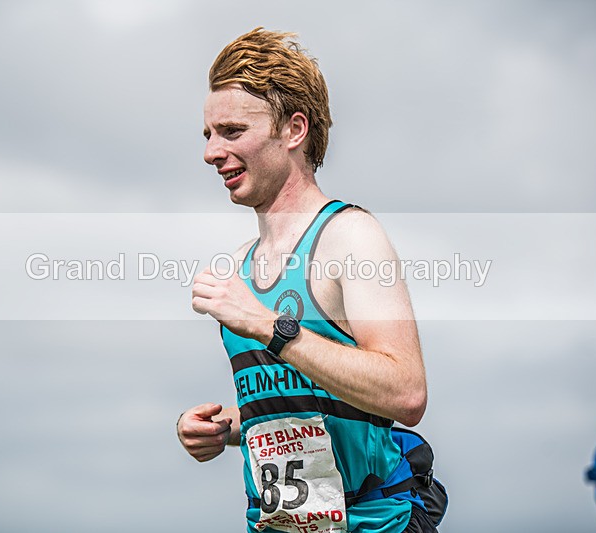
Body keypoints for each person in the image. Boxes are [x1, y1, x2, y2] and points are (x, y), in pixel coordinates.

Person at [177, 27, 432, 533]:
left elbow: (406, 393)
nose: (211, 152)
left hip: (372, 524)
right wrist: (226, 428)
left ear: (294, 130)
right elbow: (309, 402)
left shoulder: (350, 236)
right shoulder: (237, 266)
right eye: (207, 135)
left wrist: (270, 326)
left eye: (231, 131)